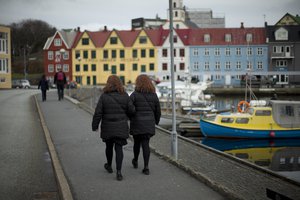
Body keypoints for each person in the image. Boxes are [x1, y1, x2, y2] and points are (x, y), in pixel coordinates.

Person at [92, 75, 135, 181]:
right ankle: (119, 172)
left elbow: (98, 112)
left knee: (109, 146)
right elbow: (131, 110)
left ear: (108, 83)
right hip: (121, 126)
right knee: (119, 148)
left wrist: (95, 125)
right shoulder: (125, 95)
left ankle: (109, 166)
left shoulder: (104, 96)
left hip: (108, 126)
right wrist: (128, 117)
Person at [130, 75, 161, 175]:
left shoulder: (134, 95)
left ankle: (135, 160)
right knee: (146, 144)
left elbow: (129, 108)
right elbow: (158, 111)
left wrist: (131, 117)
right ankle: (146, 167)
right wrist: (156, 122)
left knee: (136, 143)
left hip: (137, 123)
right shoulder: (154, 95)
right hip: (149, 123)